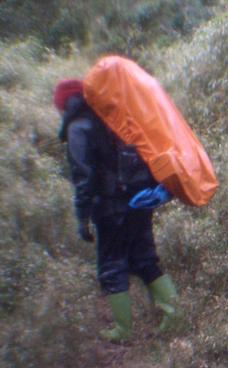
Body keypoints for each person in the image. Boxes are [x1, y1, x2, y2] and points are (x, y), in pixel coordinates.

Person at [53, 79, 178, 342]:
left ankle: (123, 331)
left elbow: (83, 175)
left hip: (111, 206)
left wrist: (82, 216)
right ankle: (175, 316)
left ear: (65, 103)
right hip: (140, 199)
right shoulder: (113, 118)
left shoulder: (78, 127)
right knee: (144, 258)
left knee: (111, 265)